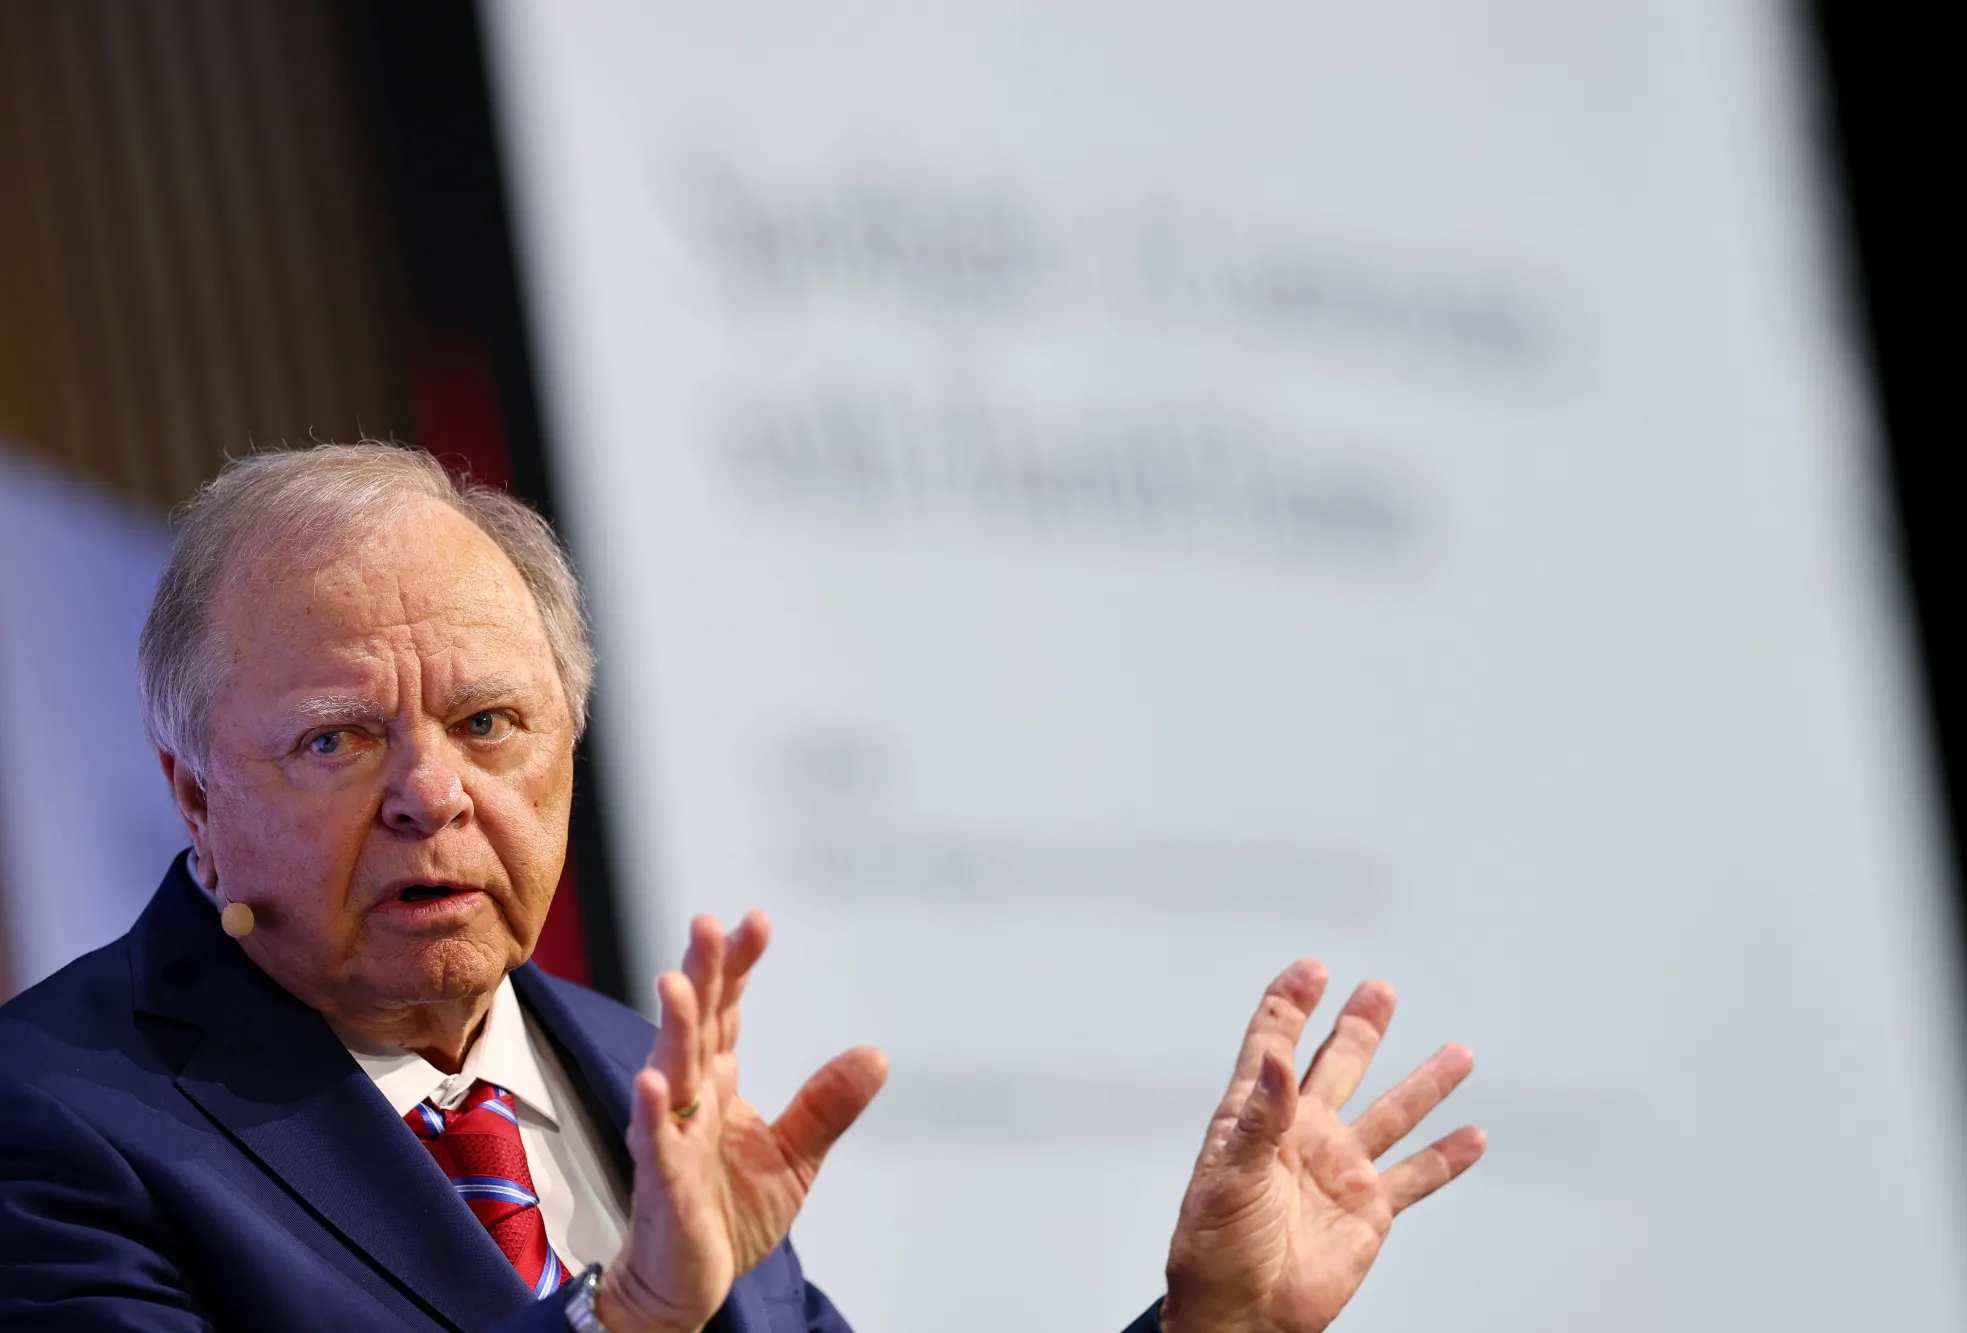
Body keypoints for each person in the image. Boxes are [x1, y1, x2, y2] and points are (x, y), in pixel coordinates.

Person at [0, 442, 1485, 1332]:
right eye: (337, 737)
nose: (430, 791)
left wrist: (1209, 1326)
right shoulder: (57, 1123)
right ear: (194, 791)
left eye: (490, 723)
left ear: (569, 748)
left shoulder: (637, 1076)